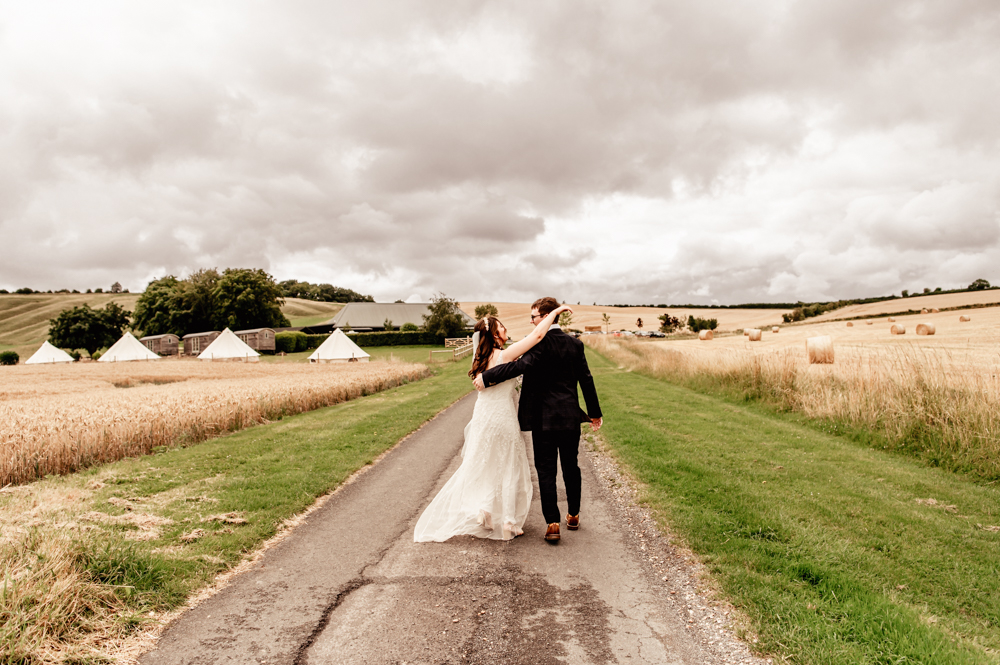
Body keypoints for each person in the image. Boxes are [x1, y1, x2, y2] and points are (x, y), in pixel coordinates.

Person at [414, 303, 574, 542]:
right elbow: (538, 334)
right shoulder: (505, 355)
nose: (506, 328)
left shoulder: (479, 359)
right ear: (495, 334)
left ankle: (486, 511)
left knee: (488, 462)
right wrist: (554, 312)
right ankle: (508, 521)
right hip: (501, 417)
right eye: (502, 326)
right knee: (509, 466)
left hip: (482, 417)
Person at [474, 297, 602, 544]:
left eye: (533, 316)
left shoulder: (537, 345)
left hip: (543, 419)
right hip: (568, 417)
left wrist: (486, 377)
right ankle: (573, 514)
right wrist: (595, 412)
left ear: (545, 317)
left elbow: (516, 368)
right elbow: (586, 379)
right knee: (571, 466)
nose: (531, 321)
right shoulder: (575, 345)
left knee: (545, 470)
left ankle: (552, 523)